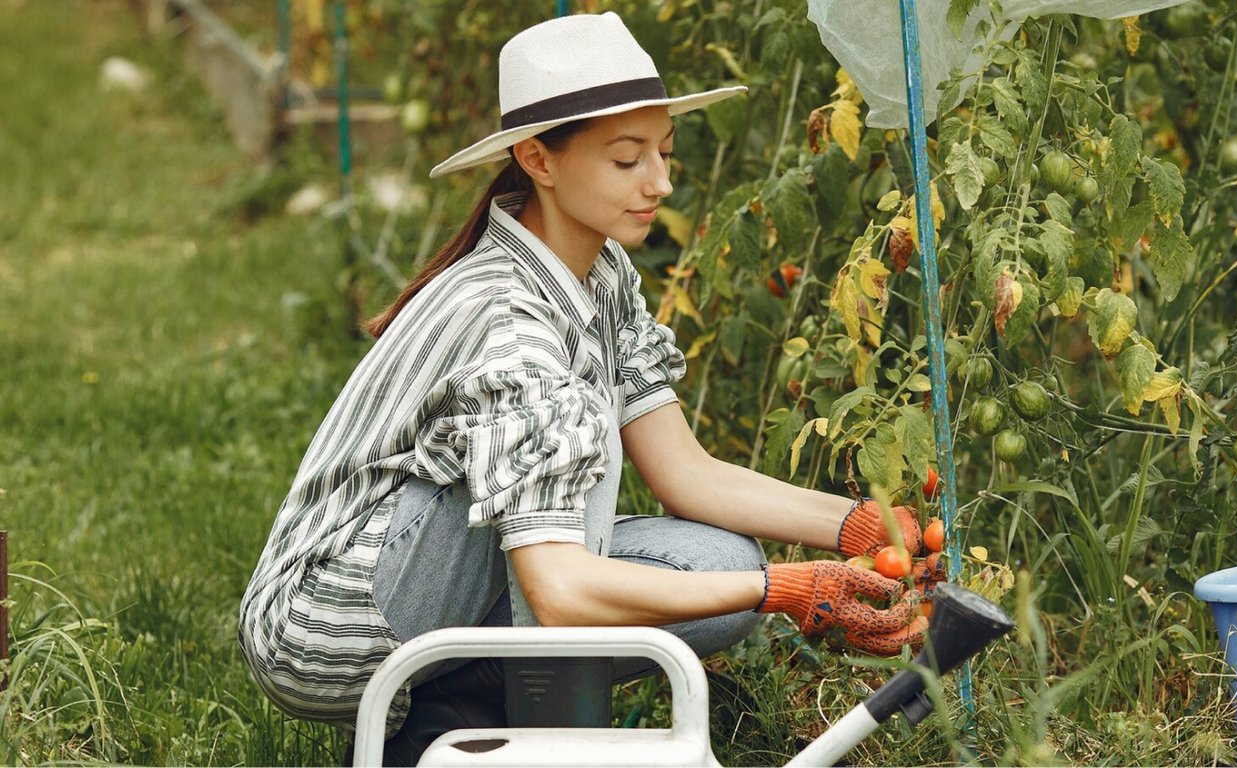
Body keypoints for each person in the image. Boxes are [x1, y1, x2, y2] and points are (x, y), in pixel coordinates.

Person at [238, 11, 938, 765]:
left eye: (664, 154)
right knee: (725, 577)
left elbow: (683, 471)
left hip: (443, 580)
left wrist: (861, 528)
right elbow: (562, 591)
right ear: (538, 159)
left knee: (725, 567)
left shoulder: (601, 277)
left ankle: (461, 702)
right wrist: (789, 589)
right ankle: (451, 717)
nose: (660, 183)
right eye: (627, 160)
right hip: (329, 627)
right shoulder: (507, 319)